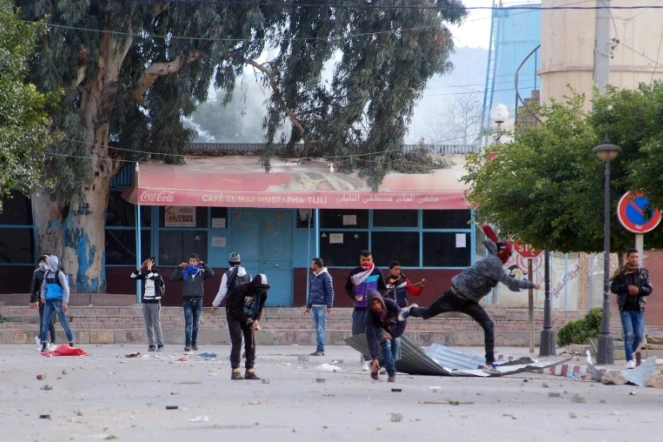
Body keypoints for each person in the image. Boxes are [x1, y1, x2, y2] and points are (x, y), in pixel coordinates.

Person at [400, 225, 540, 374]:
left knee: (488, 325)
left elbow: (488, 243)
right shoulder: (495, 264)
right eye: (508, 254)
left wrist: (487, 232)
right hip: (453, 296)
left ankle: (489, 363)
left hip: (469, 302)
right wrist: (532, 284)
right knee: (427, 314)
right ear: (502, 253)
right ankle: (410, 310)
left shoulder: (495, 255)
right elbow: (512, 282)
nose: (509, 257)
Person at [610, 248, 653, 369]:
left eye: (636, 257)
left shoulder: (643, 272)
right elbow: (613, 288)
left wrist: (639, 290)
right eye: (632, 257)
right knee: (629, 334)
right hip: (625, 309)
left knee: (639, 335)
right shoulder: (621, 273)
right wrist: (626, 287)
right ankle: (629, 360)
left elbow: (649, 289)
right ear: (627, 258)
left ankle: (631, 353)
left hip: (639, 308)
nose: (634, 259)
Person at [225, 274, 270, 380]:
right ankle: (235, 370)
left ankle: (250, 370)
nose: (261, 291)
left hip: (249, 316)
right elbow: (236, 307)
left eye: (264, 289)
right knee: (238, 341)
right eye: (259, 288)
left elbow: (259, 308)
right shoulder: (243, 289)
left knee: (251, 343)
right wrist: (247, 321)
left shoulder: (263, 294)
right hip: (234, 315)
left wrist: (256, 320)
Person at [170, 253, 214, 352]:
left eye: (194, 261)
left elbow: (211, 273)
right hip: (187, 300)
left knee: (196, 324)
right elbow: (172, 278)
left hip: (198, 300)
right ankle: (187, 344)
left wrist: (204, 264)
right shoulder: (185, 273)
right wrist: (178, 267)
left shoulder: (201, 272)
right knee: (188, 324)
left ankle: (194, 343)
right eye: (190, 261)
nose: (192, 263)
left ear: (197, 262)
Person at [365, 290, 405, 383]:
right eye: (373, 304)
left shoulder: (391, 304)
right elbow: (370, 335)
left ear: (381, 300)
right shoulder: (370, 314)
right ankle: (391, 373)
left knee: (394, 356)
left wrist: (392, 334)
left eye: (378, 302)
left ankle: (374, 366)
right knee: (386, 343)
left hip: (392, 328)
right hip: (379, 328)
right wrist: (374, 356)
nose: (377, 306)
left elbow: (403, 319)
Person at [345, 250, 387, 337]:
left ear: (372, 260)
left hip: (373, 308)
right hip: (359, 308)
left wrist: (376, 297)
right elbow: (348, 287)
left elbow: (383, 288)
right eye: (364, 260)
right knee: (357, 334)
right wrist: (354, 296)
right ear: (360, 260)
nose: (366, 262)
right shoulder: (354, 272)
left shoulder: (377, 271)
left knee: (374, 333)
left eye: (368, 260)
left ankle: (373, 350)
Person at [39, 255, 74, 352]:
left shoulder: (60, 274)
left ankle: (71, 342)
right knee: (45, 322)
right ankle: (44, 343)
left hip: (59, 300)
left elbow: (66, 289)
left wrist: (65, 302)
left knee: (63, 322)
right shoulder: (46, 274)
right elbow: (43, 287)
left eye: (47, 263)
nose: (46, 265)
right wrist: (42, 296)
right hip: (49, 301)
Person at [131, 257, 165, 352]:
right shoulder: (146, 274)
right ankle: (151, 345)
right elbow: (133, 276)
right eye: (146, 263)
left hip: (155, 301)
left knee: (156, 323)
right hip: (146, 301)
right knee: (148, 324)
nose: (147, 265)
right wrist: (141, 267)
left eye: (149, 263)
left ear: (153, 263)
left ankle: (160, 344)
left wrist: (149, 268)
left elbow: (152, 277)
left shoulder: (158, 274)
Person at [305, 257, 334, 356]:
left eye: (312, 264)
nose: (311, 265)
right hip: (314, 306)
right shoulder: (312, 276)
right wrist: (308, 306)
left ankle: (321, 349)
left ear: (317, 265)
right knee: (317, 328)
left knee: (321, 328)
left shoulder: (326, 276)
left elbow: (330, 291)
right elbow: (311, 291)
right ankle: (318, 349)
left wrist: (329, 306)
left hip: (322, 306)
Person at [30, 255, 55, 349]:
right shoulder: (37, 273)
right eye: (42, 261)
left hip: (52, 299)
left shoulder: (53, 272)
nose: (44, 263)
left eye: (45, 261)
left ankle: (52, 342)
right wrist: (33, 300)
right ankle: (43, 341)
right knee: (43, 321)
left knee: (50, 321)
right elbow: (34, 288)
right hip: (42, 300)